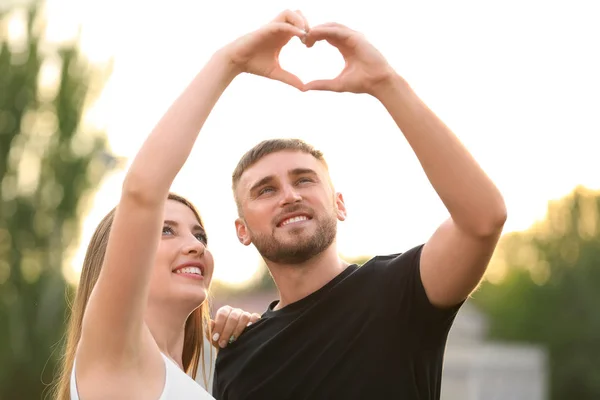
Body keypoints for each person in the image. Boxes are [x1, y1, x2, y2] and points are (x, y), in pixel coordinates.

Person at [212, 12, 508, 400]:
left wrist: (385, 82)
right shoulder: (236, 354)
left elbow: (483, 220)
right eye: (265, 190)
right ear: (242, 230)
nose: (289, 195)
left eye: (304, 179)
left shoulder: (399, 290)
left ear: (339, 205)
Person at [51, 9, 310, 400]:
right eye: (166, 230)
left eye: (199, 234)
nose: (195, 245)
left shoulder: (198, 378)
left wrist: (253, 337)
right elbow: (141, 192)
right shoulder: (116, 353)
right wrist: (230, 61)